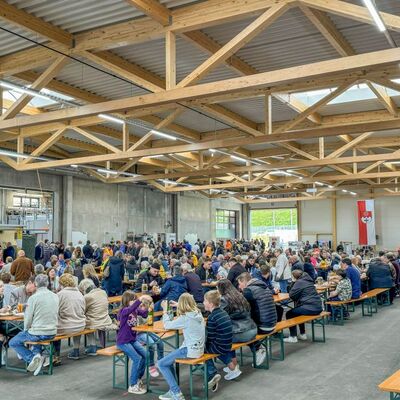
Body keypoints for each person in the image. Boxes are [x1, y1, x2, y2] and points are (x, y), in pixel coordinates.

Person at [9, 274, 59, 376]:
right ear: (48, 283)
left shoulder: (33, 298)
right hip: (52, 331)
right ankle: (37, 356)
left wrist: (26, 329)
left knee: (13, 342)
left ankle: (32, 358)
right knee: (36, 339)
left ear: (35, 284)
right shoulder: (55, 296)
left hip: (38, 332)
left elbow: (27, 320)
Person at [158, 293, 205, 400]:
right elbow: (188, 305)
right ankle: (173, 390)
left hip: (189, 350)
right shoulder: (198, 313)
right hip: (198, 349)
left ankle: (176, 392)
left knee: (161, 364)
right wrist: (179, 304)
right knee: (168, 362)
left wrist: (165, 310)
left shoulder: (185, 318)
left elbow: (167, 325)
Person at [217, 279, 257, 380]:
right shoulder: (240, 295)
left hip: (241, 332)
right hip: (252, 329)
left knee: (222, 337)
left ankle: (233, 366)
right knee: (227, 334)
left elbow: (219, 316)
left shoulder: (224, 299)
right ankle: (234, 364)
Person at [237, 272, 277, 366]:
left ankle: (258, 349)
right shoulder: (264, 286)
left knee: (242, 332)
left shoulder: (248, 290)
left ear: (244, 282)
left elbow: (240, 307)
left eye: (240, 283)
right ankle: (260, 346)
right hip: (272, 323)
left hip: (263, 326)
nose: (239, 286)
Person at [116, 291, 149, 395]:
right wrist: (140, 299)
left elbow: (144, 314)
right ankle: (132, 385)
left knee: (145, 355)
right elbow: (130, 308)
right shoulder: (123, 311)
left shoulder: (134, 309)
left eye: (135, 299)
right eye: (133, 299)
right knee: (137, 358)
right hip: (123, 341)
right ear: (127, 300)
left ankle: (138, 377)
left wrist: (147, 306)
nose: (135, 301)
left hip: (132, 340)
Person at [203, 290, 233, 392]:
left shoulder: (211, 317)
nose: (203, 303)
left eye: (204, 301)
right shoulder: (223, 312)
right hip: (228, 344)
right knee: (217, 343)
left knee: (201, 350)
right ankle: (230, 363)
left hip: (219, 346)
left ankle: (212, 373)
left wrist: (204, 346)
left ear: (210, 304)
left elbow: (210, 337)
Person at [284, 269, 323, 343]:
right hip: (318, 306)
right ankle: (302, 333)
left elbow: (291, 294)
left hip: (310, 307)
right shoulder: (308, 281)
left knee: (289, 314)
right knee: (298, 311)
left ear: (294, 277)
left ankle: (293, 336)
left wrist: (293, 282)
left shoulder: (299, 282)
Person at [53, 273, 86, 361]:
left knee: (53, 329)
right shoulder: (80, 294)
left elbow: (55, 311)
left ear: (61, 284)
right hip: (80, 325)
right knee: (75, 322)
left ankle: (55, 356)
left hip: (67, 326)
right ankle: (76, 350)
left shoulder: (60, 295)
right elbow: (83, 309)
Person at [78, 279, 115, 354]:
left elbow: (83, 311)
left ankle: (92, 345)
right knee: (90, 321)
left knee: (85, 323)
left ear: (84, 289)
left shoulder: (87, 297)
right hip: (106, 320)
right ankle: (93, 346)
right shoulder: (103, 292)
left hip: (96, 322)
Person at [136, 296, 165, 378]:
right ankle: (151, 366)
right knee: (151, 343)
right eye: (144, 307)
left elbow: (150, 323)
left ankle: (160, 361)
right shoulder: (137, 312)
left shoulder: (147, 311)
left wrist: (150, 313)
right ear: (141, 306)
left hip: (147, 331)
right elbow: (138, 328)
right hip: (139, 334)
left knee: (160, 342)